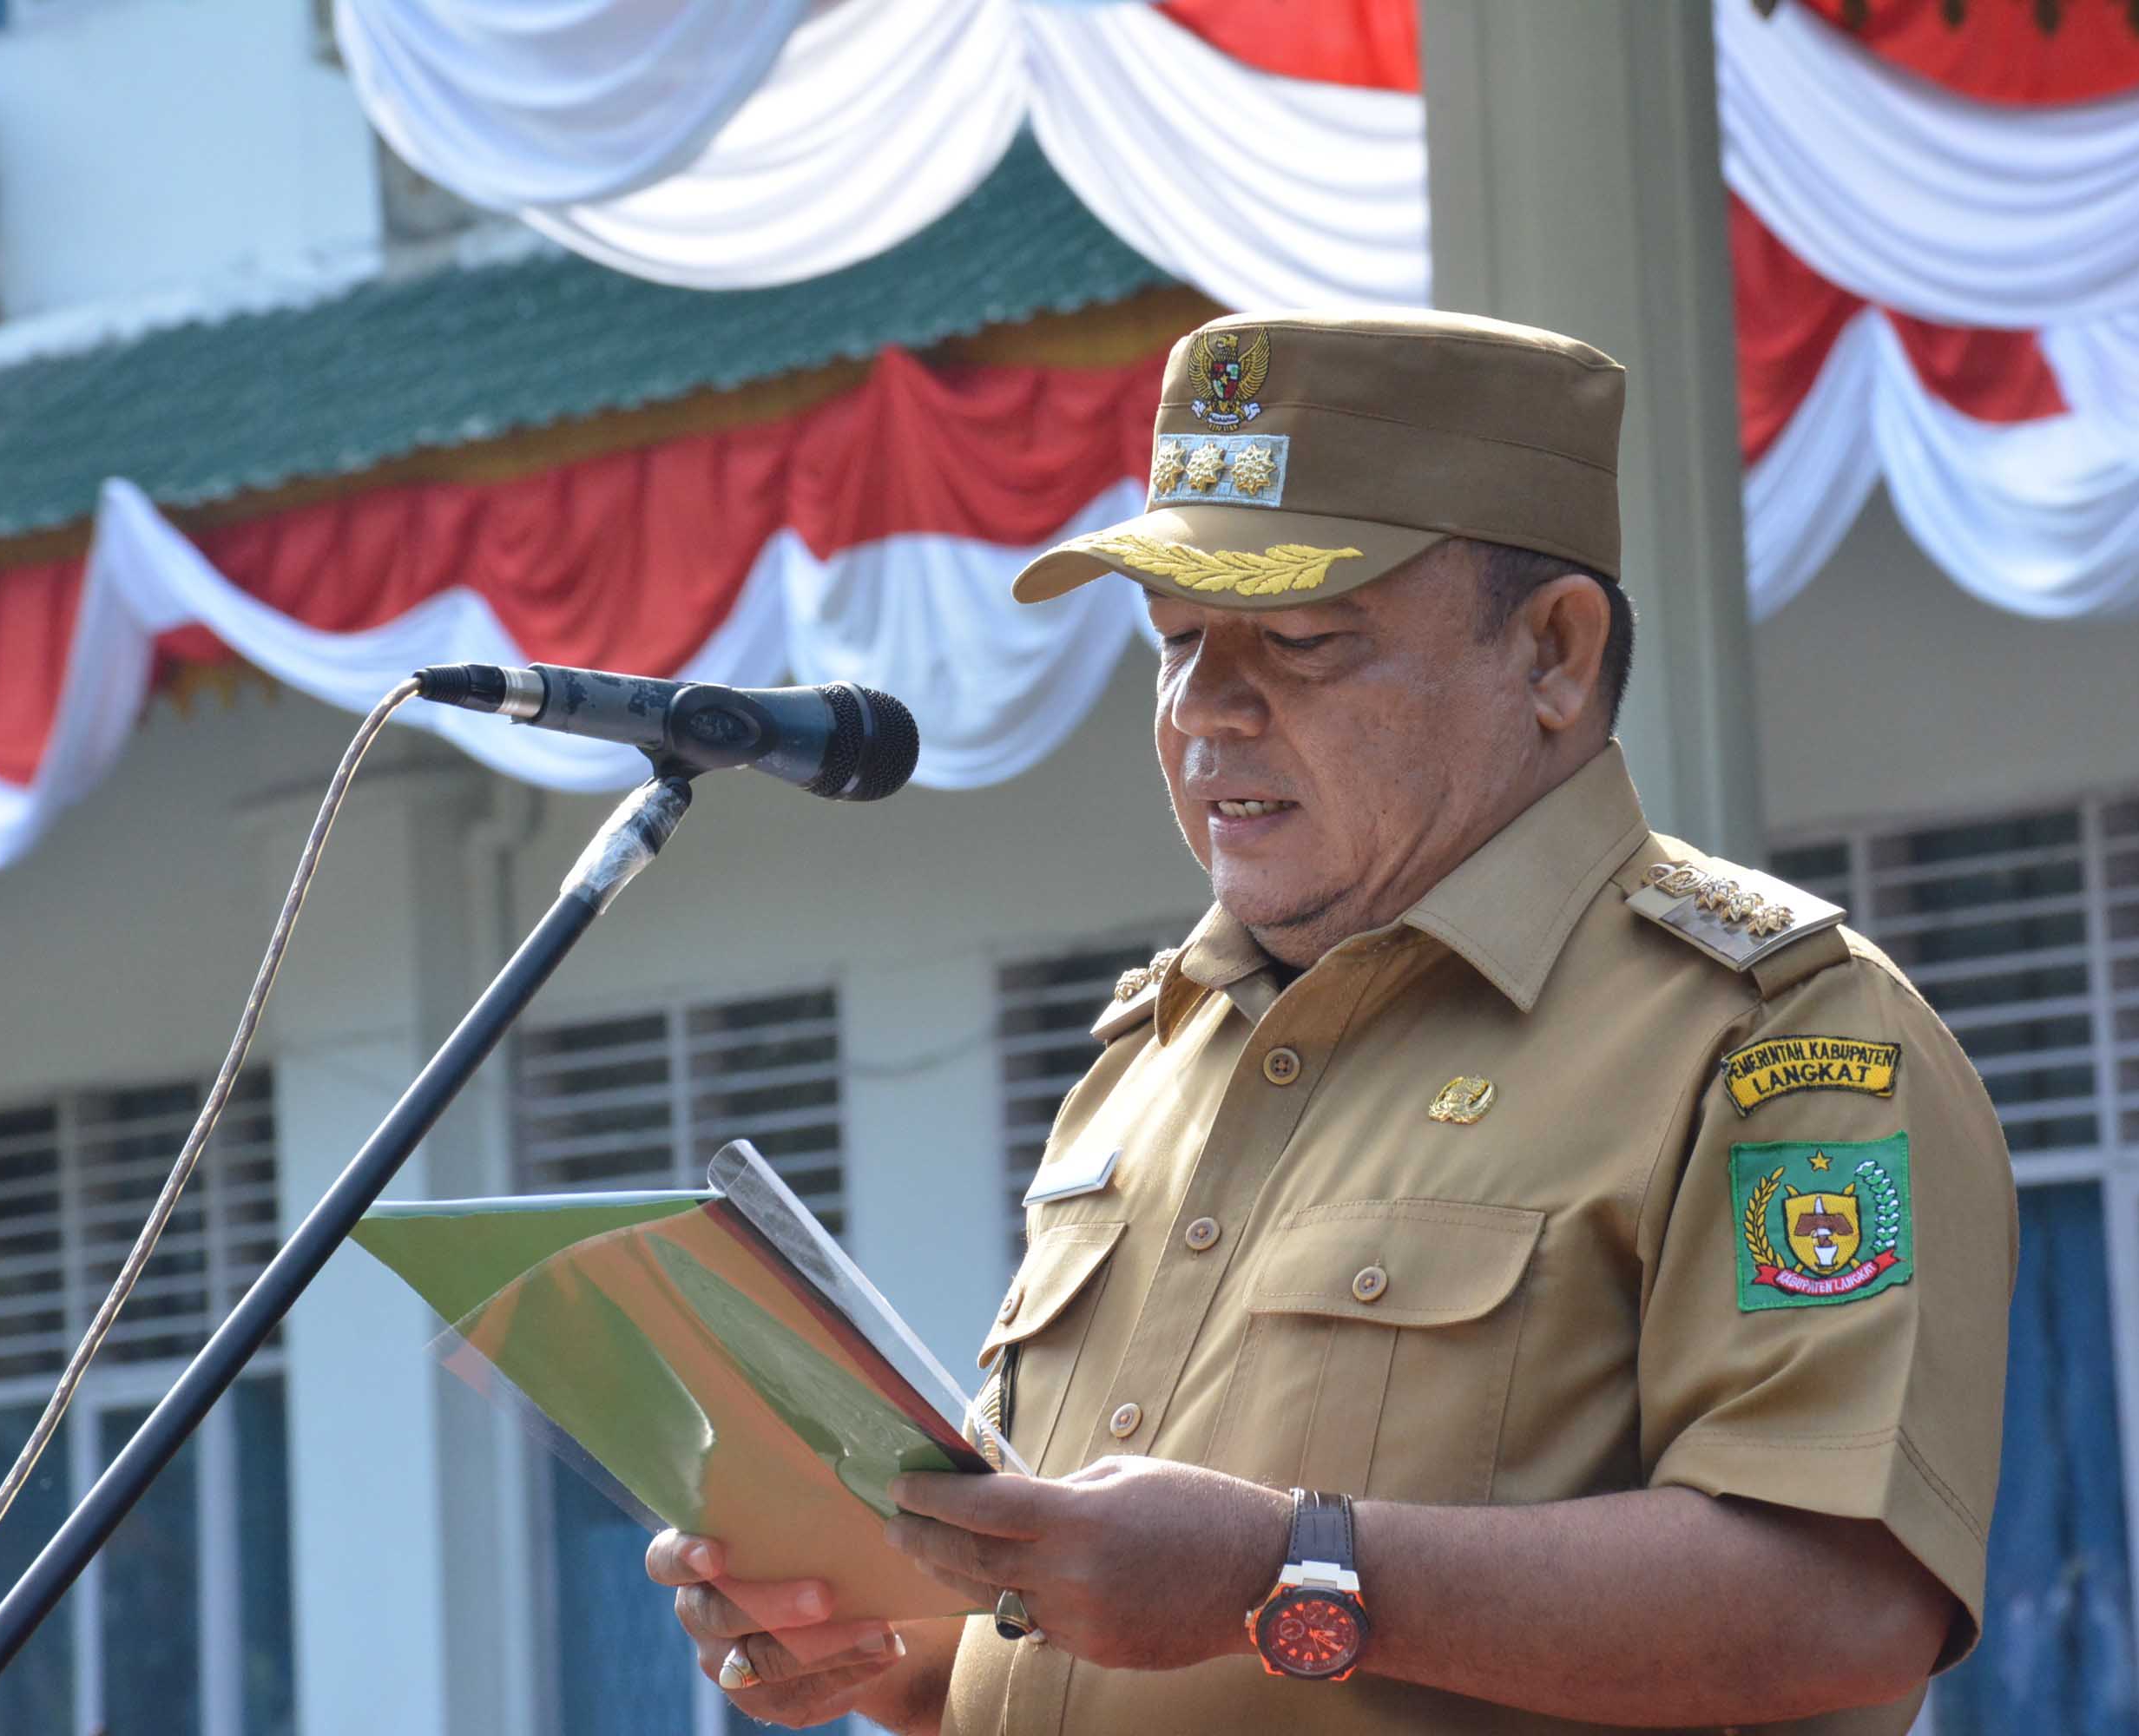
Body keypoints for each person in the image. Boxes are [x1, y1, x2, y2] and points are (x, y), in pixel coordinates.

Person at [645, 309, 2017, 1733]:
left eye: (1301, 641)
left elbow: (1844, 1611)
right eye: (1177, 639)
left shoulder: (1772, 1039)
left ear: (1553, 653)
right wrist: (878, 1643)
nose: (1205, 710)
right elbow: (1090, 1644)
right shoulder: (1158, 1054)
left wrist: (1286, 1572)